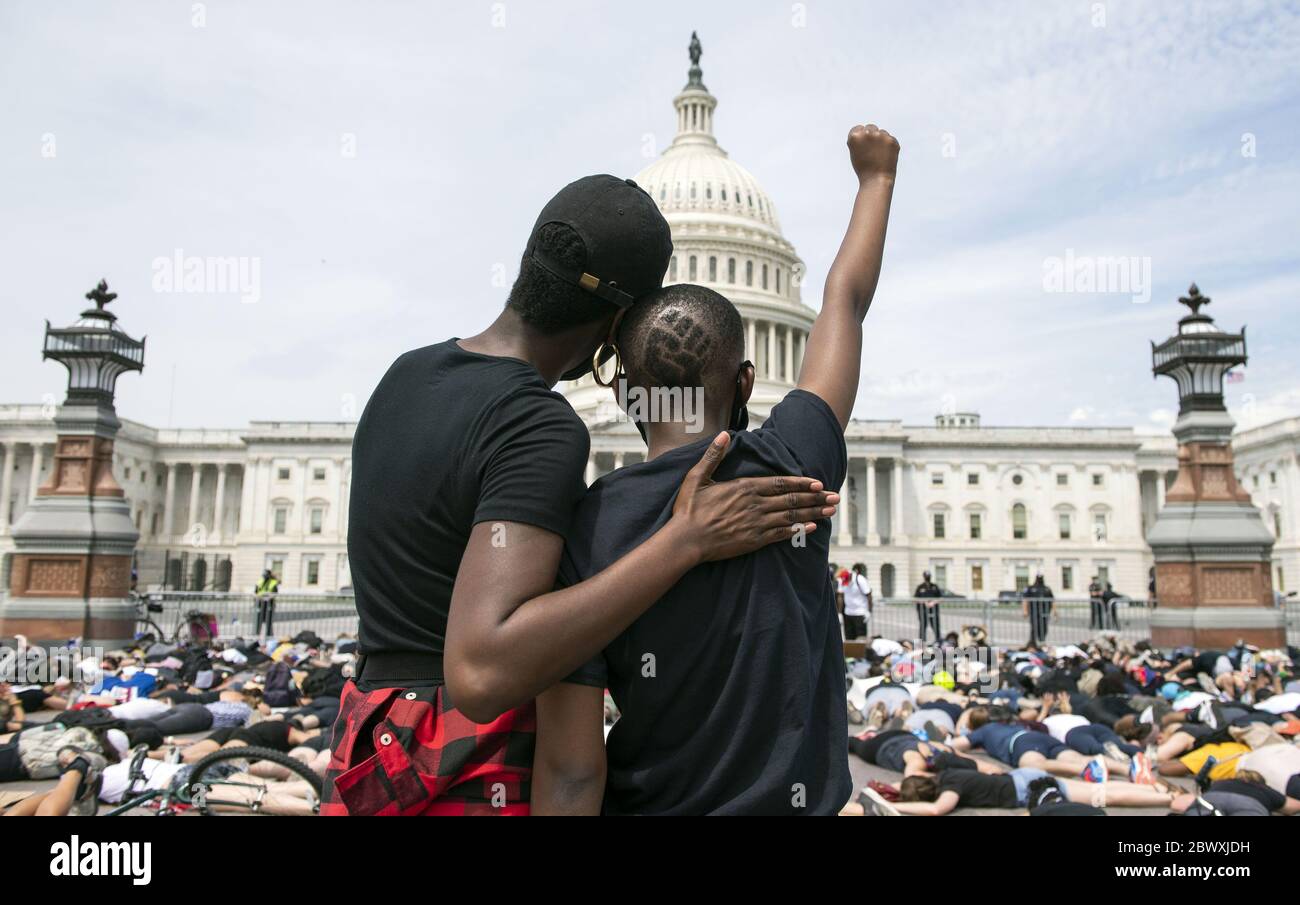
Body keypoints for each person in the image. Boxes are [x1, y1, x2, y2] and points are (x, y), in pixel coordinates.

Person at [322, 175, 836, 816]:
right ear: (622, 326)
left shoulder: (405, 373)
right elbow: (482, 673)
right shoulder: (539, 425)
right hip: (460, 759)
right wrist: (684, 540)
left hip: (370, 740)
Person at [531, 123, 900, 815]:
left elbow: (572, 771)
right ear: (748, 381)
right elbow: (845, 300)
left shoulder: (584, 528)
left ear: (621, 389)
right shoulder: (793, 463)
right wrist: (876, 180)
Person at [844, 563, 873, 640]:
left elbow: (869, 595)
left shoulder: (860, 579)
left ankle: (861, 652)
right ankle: (850, 652)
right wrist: (840, 613)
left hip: (860, 613)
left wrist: (869, 611)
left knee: (860, 638)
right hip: (848, 613)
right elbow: (840, 595)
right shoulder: (843, 579)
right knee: (849, 638)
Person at [1023, 573, 1054, 646]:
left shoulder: (1047, 588)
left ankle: (1042, 642)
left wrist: (1054, 611)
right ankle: (1032, 643)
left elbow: (1052, 600)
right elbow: (1025, 600)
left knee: (1044, 627)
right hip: (1034, 611)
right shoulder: (1031, 588)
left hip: (1045, 611)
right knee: (1034, 627)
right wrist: (1025, 610)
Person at [914, 571, 942, 645]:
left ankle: (938, 641)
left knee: (935, 626)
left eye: (928, 576)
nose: (927, 578)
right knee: (923, 626)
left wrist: (933, 602)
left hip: (933, 610)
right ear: (924, 577)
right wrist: (924, 602)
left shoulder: (934, 586)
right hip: (923, 611)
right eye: (926, 576)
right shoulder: (920, 587)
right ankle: (922, 643)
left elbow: (940, 598)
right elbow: (915, 599)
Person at [254, 569, 279, 639]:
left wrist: (267, 598)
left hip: (269, 604)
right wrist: (260, 597)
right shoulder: (259, 581)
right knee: (258, 621)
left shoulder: (273, 582)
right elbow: (256, 592)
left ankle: (269, 637)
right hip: (260, 603)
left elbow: (275, 593)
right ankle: (256, 636)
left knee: (269, 621)